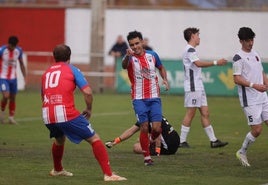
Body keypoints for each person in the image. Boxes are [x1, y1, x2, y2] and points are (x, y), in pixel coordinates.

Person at [41, 44, 126, 181]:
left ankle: (57, 170)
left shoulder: (46, 73)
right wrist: (89, 109)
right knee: (94, 138)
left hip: (47, 114)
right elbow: (87, 92)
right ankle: (109, 174)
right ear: (69, 56)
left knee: (60, 139)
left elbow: (43, 95)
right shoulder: (72, 69)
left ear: (54, 57)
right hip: (65, 113)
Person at [122, 30, 169, 166]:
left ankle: (149, 139)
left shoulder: (152, 55)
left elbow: (161, 67)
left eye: (137, 43)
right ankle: (147, 157)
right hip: (138, 98)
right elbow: (124, 66)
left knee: (156, 129)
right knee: (143, 126)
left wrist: (165, 79)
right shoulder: (130, 58)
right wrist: (126, 56)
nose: (135, 47)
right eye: (132, 45)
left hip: (154, 97)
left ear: (142, 42)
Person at [179, 27, 228, 148]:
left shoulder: (191, 50)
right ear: (192, 36)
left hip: (198, 86)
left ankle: (213, 141)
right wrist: (216, 62)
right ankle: (181, 141)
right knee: (190, 113)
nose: (199, 37)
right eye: (198, 35)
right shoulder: (189, 50)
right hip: (193, 86)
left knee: (205, 113)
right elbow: (198, 63)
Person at [233, 27, 268, 167]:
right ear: (241, 41)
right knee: (257, 130)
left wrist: (265, 82)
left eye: (252, 40)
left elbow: (261, 72)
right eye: (247, 40)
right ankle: (242, 152)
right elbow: (236, 79)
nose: (251, 43)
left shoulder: (256, 53)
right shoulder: (238, 58)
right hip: (250, 100)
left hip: (263, 97)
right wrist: (254, 85)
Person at [105, 116, 180, 156]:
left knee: (136, 147)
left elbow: (158, 132)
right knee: (140, 139)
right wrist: (115, 141)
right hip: (175, 140)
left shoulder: (148, 117)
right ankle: (157, 149)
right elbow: (131, 130)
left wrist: (157, 151)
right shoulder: (152, 113)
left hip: (168, 146)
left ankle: (157, 151)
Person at [0, 36, 26, 124]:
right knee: (6, 96)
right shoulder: (2, 50)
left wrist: (24, 75)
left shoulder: (18, 51)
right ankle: (2, 113)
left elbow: (21, 63)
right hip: (3, 77)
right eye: (12, 46)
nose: (13, 48)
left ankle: (11, 118)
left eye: (15, 46)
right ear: (8, 44)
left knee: (13, 98)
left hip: (13, 78)